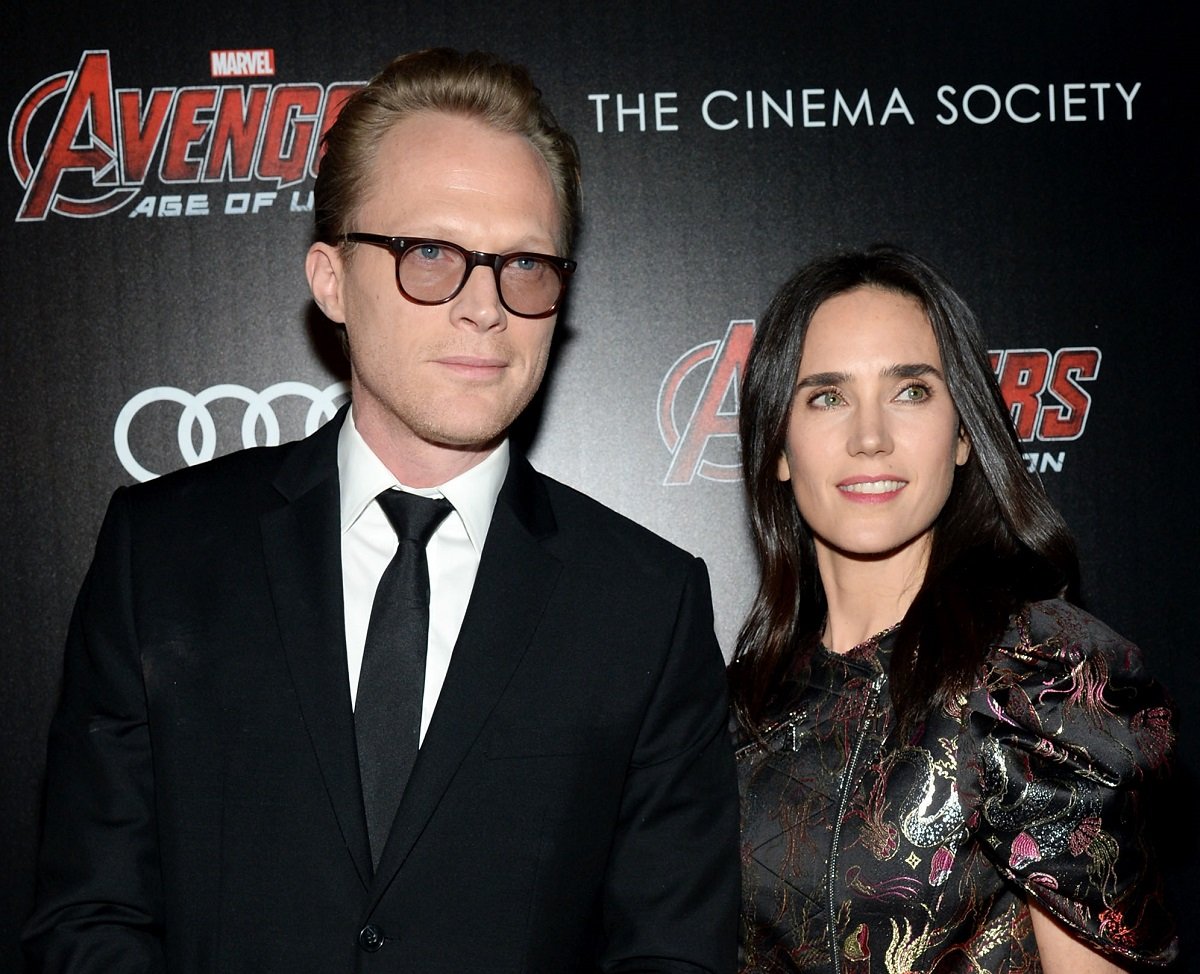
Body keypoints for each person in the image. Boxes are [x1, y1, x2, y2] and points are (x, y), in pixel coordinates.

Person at [24, 49, 738, 973]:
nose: (487, 306)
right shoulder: (160, 554)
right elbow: (91, 914)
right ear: (331, 280)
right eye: (431, 254)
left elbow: (672, 955)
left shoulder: (645, 605)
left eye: (524, 264)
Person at [730, 246, 1176, 973]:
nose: (869, 436)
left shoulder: (1040, 678)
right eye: (826, 396)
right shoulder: (736, 705)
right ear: (778, 446)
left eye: (910, 392)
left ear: (964, 433)